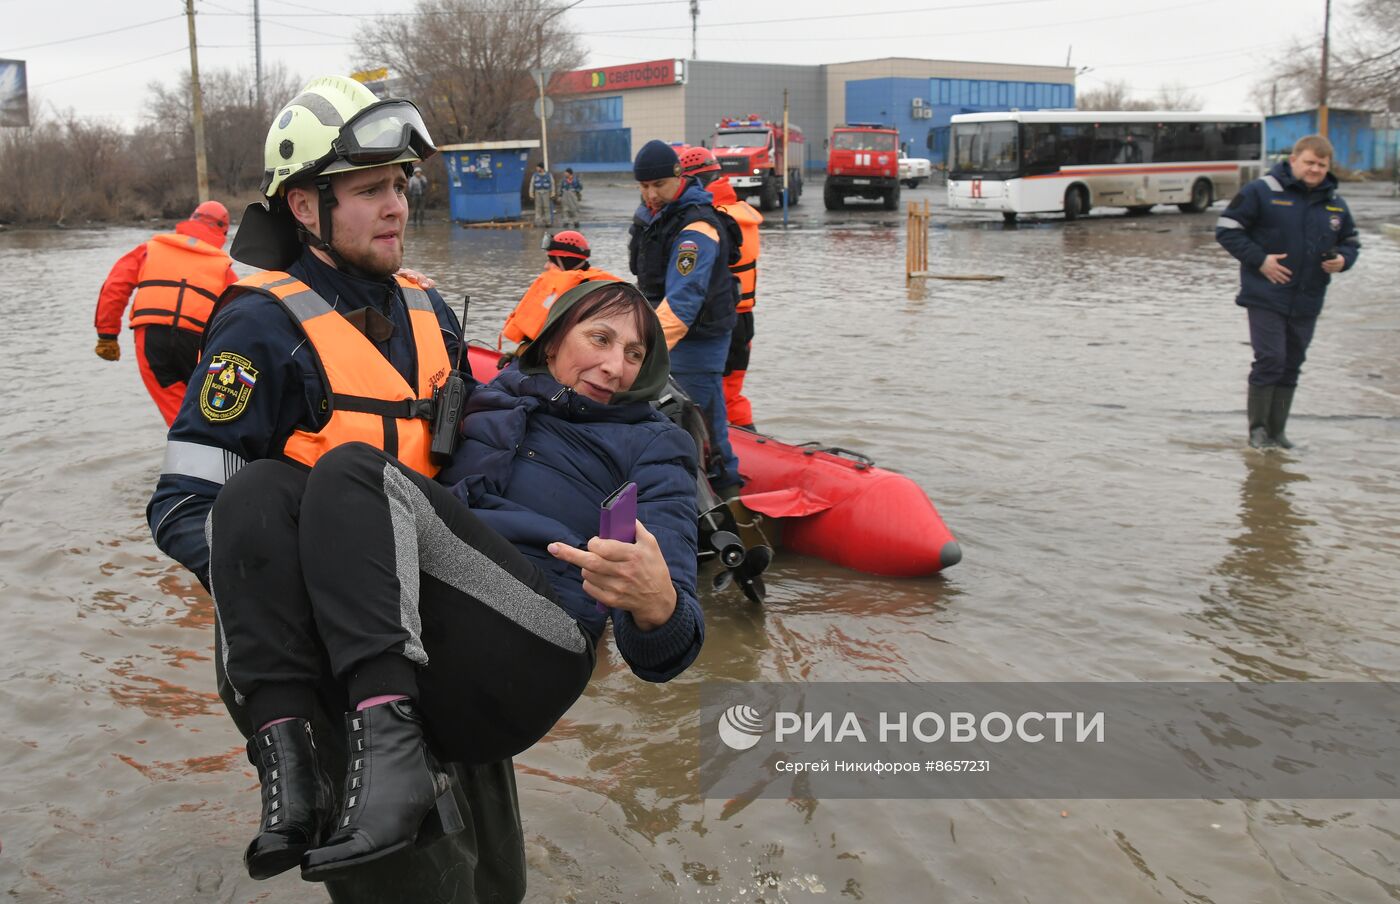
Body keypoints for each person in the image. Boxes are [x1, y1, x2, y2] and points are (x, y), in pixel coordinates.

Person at [146, 75, 527, 901]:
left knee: (498, 879)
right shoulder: (258, 328)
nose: (396, 206)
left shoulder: (433, 312)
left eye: (399, 185)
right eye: (367, 191)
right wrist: (305, 603)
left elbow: (468, 475)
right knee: (414, 886)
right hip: (329, 659)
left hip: (436, 642)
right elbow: (183, 506)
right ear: (306, 209)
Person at [207, 278, 701, 882]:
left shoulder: (656, 444)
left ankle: (396, 763)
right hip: (440, 640)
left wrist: (658, 606)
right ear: (550, 345)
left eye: (634, 354)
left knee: (353, 472)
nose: (615, 365)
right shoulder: (487, 401)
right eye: (600, 338)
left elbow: (669, 648)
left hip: (538, 650)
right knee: (253, 490)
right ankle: (291, 768)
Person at [1216, 134, 1361, 448]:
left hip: (1308, 298)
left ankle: (1277, 433)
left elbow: (1350, 242)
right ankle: (1257, 432)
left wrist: (1342, 260)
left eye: (1321, 165)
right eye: (1309, 162)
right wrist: (1260, 260)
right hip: (1266, 293)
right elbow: (1227, 230)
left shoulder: (1335, 202)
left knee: (1292, 363)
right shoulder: (1262, 191)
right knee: (1271, 359)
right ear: (1293, 160)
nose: (1315, 170)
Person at [627, 139, 744, 493]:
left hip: (699, 338)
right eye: (644, 187)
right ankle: (725, 484)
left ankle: (711, 497)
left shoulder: (696, 228)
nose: (650, 195)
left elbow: (684, 299)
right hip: (665, 329)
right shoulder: (653, 218)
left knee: (691, 420)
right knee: (709, 415)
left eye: (658, 185)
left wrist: (641, 347)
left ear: (679, 178)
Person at [93, 201, 238, 426]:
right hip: (196, 345)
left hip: (152, 337)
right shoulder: (223, 268)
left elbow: (115, 286)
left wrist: (107, 336)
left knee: (177, 415)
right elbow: (239, 315)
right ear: (224, 231)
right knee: (207, 414)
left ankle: (186, 449)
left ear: (191, 220)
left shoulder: (151, 248)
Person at [679, 146, 762, 430]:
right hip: (745, 319)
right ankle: (748, 440)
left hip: (718, 322)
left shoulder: (708, 219)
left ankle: (722, 451)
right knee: (732, 393)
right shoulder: (742, 213)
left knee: (710, 394)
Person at [497, 230, 620, 351]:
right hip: (548, 354)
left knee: (509, 372)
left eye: (551, 261)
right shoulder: (582, 284)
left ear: (566, 261)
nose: (546, 266)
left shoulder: (588, 293)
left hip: (563, 359)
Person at [528, 162, 553, 227]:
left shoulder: (548, 175)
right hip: (537, 192)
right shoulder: (535, 175)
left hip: (546, 192)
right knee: (538, 208)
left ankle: (548, 222)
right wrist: (531, 194)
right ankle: (537, 222)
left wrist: (552, 193)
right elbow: (532, 184)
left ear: (541, 168)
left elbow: (552, 184)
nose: (536, 168)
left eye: (538, 167)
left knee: (547, 208)